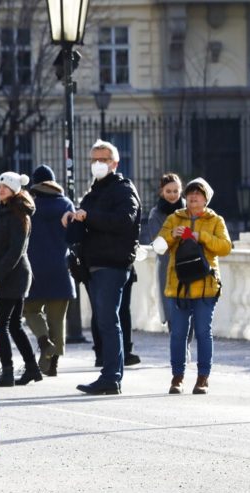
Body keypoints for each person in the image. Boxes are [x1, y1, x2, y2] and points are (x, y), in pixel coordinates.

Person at [63, 139, 141, 395]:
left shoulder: (123, 189)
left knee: (108, 320)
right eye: (94, 159)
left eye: (104, 159)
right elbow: (85, 228)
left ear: (115, 163)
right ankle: (110, 375)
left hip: (112, 264)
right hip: (94, 265)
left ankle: (111, 377)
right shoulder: (94, 192)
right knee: (104, 320)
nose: (98, 164)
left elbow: (125, 220)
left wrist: (89, 216)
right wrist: (73, 218)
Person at [154, 178, 231, 394]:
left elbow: (225, 247)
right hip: (178, 287)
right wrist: (171, 235)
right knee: (177, 333)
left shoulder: (216, 220)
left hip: (206, 287)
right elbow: (158, 247)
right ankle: (177, 378)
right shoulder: (173, 218)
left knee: (204, 332)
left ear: (206, 198)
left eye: (198, 194)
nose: (193, 197)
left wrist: (201, 237)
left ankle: (202, 378)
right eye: (190, 194)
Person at [24, 165, 76, 377]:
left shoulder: (30, 206)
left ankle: (44, 341)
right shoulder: (66, 204)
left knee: (29, 311)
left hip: (34, 270)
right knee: (57, 319)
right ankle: (52, 364)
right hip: (60, 268)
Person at [0, 171, 41, 387]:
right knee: (14, 326)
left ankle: (8, 371)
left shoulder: (17, 214)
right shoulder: (7, 212)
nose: (1, 190)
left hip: (13, 276)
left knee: (2, 325)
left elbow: (15, 251)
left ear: (14, 190)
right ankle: (32, 368)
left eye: (6, 187)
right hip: (12, 275)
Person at [146, 173, 185, 327]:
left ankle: (185, 350)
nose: (172, 195)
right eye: (168, 191)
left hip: (189, 266)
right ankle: (180, 351)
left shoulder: (189, 210)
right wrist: (172, 234)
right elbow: (157, 244)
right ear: (161, 192)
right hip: (167, 268)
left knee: (190, 315)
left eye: (176, 191)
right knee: (172, 317)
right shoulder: (156, 214)